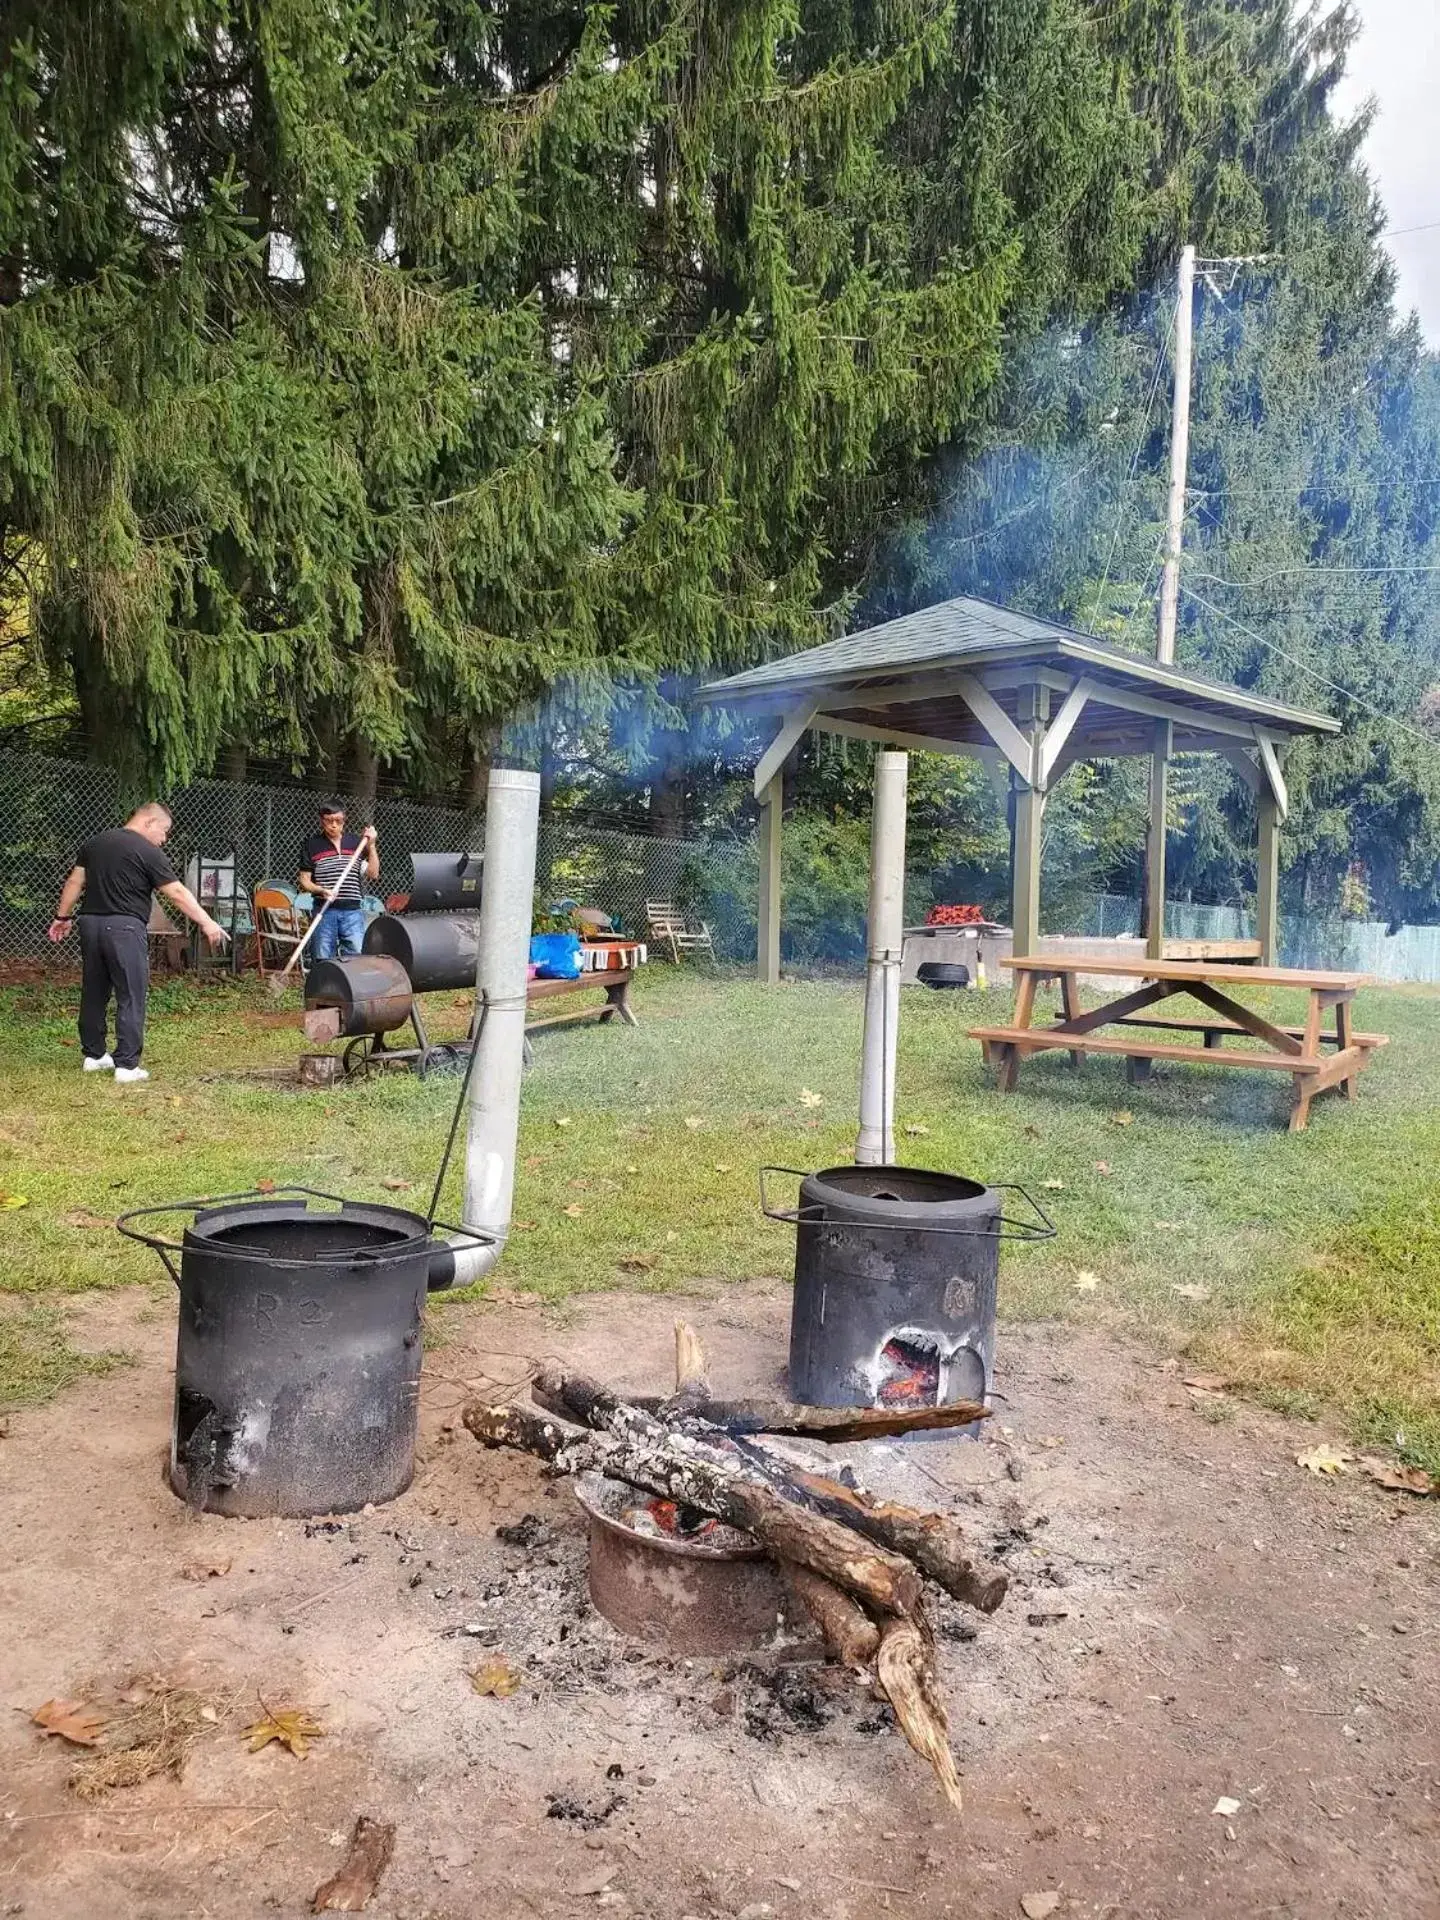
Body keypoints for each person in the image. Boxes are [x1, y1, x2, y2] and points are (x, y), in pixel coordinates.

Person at [48, 801, 230, 1084]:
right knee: (132, 992)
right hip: (124, 927)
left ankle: (94, 1056)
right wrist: (207, 922)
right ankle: (127, 1065)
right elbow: (177, 892)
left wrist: (62, 916)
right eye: (164, 830)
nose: (164, 839)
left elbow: (74, 882)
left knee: (94, 989)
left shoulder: (95, 843)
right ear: (148, 822)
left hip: (90, 924)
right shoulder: (147, 851)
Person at [297, 802, 379, 964]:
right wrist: (321, 890)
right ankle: (323, 988)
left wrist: (371, 846)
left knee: (356, 955)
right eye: (329, 820)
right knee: (323, 957)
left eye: (338, 821)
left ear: (344, 820)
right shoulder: (312, 844)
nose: (334, 825)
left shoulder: (355, 843)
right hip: (324, 911)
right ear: (322, 821)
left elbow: (373, 873)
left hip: (352, 911)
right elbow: (304, 881)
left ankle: (352, 987)